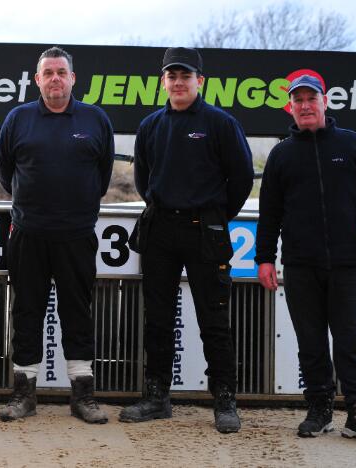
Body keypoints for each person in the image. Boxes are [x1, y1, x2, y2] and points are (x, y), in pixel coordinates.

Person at [120, 47, 254, 433]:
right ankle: (157, 396)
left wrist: (213, 216)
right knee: (157, 319)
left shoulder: (220, 123)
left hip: (205, 232)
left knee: (214, 319)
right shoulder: (150, 126)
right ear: (163, 82)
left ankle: (225, 400)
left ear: (200, 81)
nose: (178, 83)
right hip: (160, 230)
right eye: (171, 76)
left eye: (185, 76)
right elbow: (144, 180)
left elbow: (241, 178)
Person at [255, 74, 356, 447]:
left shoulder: (351, 145)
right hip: (300, 265)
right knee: (310, 342)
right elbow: (270, 214)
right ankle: (319, 409)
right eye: (297, 100)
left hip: (347, 263)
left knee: (352, 342)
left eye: (311, 98)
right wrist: (264, 258)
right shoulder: (281, 155)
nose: (305, 105)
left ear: (325, 101)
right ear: (290, 107)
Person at [0, 46, 114, 424]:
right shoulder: (18, 118)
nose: (55, 79)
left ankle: (83, 396)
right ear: (37, 79)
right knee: (27, 313)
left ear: (73, 78)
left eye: (61, 72)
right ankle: (23, 395)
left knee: (77, 313)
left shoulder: (96, 119)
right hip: (28, 235)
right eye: (48, 73)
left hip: (77, 236)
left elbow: (103, 177)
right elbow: (5, 173)